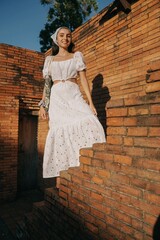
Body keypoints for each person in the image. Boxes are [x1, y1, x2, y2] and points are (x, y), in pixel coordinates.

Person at [39, 26, 106, 189]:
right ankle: (61, 182)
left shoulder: (77, 56)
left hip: (73, 94)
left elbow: (83, 80)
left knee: (90, 120)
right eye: (61, 35)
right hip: (57, 99)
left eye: (68, 36)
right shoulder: (50, 60)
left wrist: (90, 102)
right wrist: (43, 105)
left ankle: (86, 167)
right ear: (56, 39)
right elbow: (47, 85)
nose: (65, 38)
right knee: (59, 131)